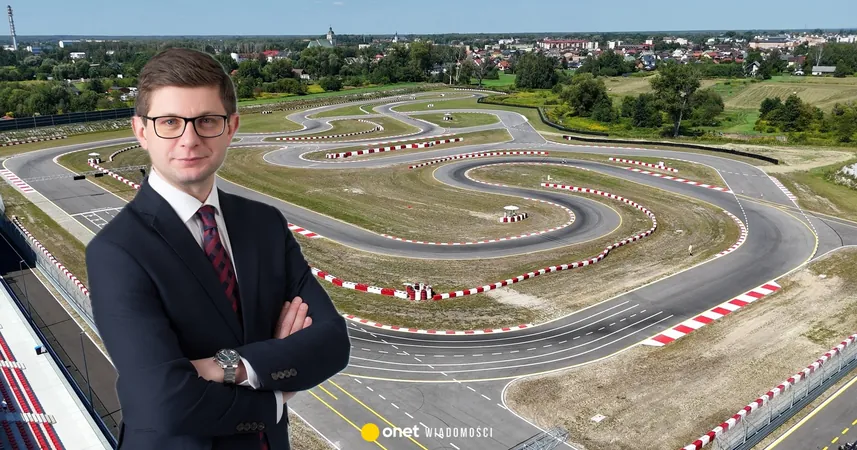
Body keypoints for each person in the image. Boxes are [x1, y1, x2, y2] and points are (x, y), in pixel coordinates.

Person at [85, 48, 351, 450]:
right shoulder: (116, 252)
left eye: (207, 121)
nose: (189, 140)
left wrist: (229, 368)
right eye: (169, 122)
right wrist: (274, 394)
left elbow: (332, 343)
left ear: (231, 127)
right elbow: (163, 403)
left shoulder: (265, 223)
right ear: (141, 131)